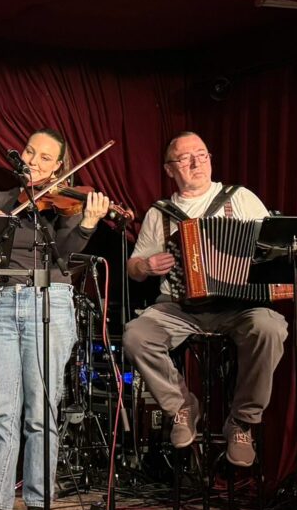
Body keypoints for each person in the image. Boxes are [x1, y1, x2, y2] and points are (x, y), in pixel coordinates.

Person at [0, 129, 110, 510]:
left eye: (45, 157)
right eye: (30, 152)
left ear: (59, 167)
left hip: (50, 300)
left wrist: (88, 223)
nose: (34, 161)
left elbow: (65, 255)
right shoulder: (3, 200)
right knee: (1, 411)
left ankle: (40, 501)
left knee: (41, 411)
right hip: (6, 302)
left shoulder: (62, 205)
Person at [122, 131, 288, 467]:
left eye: (202, 154)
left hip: (238, 305)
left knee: (270, 328)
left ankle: (242, 421)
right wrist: (146, 265)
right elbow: (133, 268)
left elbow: (273, 248)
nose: (196, 163)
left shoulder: (240, 198)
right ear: (170, 169)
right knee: (135, 335)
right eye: (185, 158)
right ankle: (181, 407)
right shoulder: (160, 213)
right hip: (179, 307)